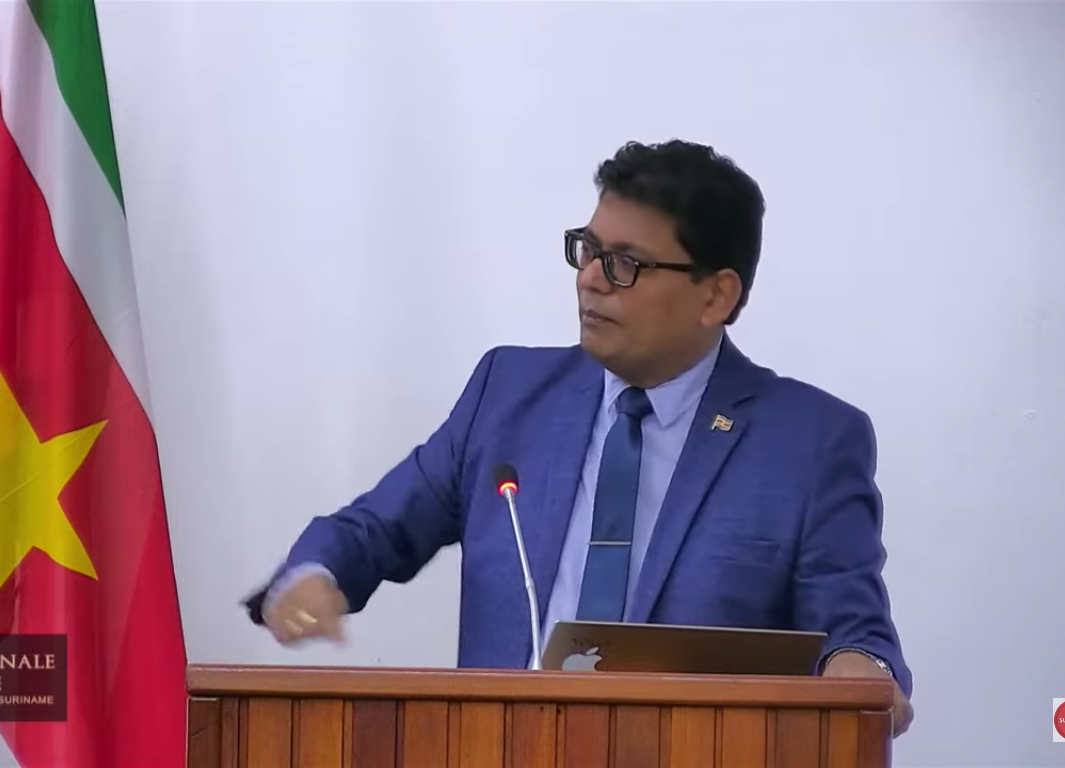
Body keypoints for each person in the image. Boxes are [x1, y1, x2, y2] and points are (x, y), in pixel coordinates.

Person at [243, 139, 914, 736]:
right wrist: (315, 576)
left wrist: (860, 673)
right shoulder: (508, 394)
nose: (590, 277)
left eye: (625, 263)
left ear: (715, 296)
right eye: (588, 250)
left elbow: (854, 634)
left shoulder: (808, 442)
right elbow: (375, 529)